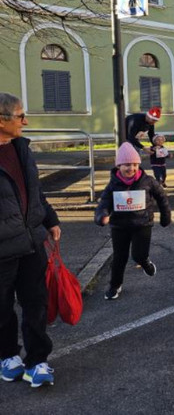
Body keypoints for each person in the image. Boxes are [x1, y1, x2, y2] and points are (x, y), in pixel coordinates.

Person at [0, 92, 61, 388]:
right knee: (1, 306)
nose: (26, 121)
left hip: (32, 242)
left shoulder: (22, 148)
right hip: (2, 248)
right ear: (1, 120)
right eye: (20, 116)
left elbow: (34, 190)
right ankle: (7, 355)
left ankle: (38, 361)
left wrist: (50, 219)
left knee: (36, 302)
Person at [95, 143, 171, 300]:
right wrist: (102, 215)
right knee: (119, 257)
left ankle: (145, 262)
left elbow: (161, 197)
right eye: (127, 165)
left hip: (142, 224)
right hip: (119, 226)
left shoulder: (148, 181)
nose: (131, 168)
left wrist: (165, 216)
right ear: (119, 166)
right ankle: (115, 285)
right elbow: (104, 202)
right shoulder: (113, 184)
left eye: (135, 165)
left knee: (138, 255)